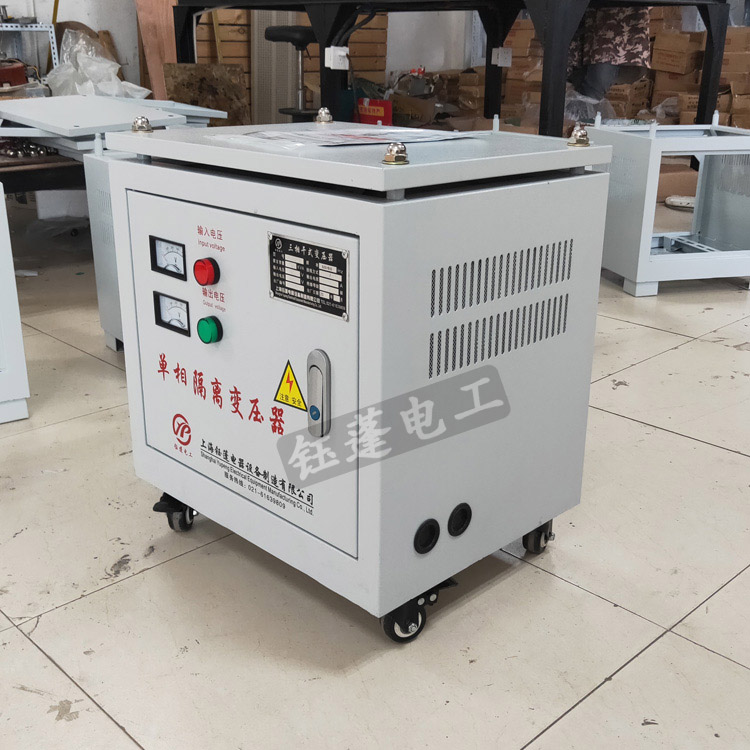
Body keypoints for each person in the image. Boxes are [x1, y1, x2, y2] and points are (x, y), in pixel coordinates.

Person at [569, 8, 651, 102]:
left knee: (596, 84)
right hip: (577, 19)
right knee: (571, 79)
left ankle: (584, 109)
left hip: (613, 26)